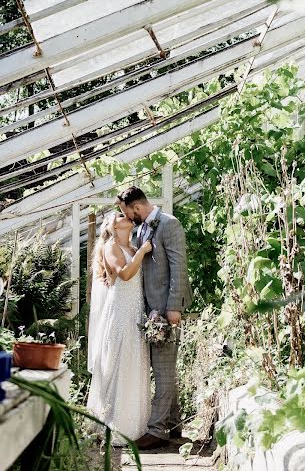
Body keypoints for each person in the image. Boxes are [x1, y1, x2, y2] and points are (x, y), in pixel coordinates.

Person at [116, 185, 193, 450]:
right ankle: (172, 423)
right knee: (163, 368)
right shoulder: (141, 229)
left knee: (163, 370)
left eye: (127, 212)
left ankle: (157, 430)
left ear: (137, 207)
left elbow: (179, 267)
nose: (127, 217)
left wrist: (174, 306)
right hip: (150, 311)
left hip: (165, 310)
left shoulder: (169, 224)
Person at [87, 211, 153, 445]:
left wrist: (140, 251)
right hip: (120, 312)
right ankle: (113, 426)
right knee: (118, 363)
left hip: (135, 311)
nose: (126, 217)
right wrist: (144, 252)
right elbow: (124, 274)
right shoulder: (111, 246)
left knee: (133, 364)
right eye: (120, 215)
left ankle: (134, 425)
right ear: (112, 225)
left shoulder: (134, 247)